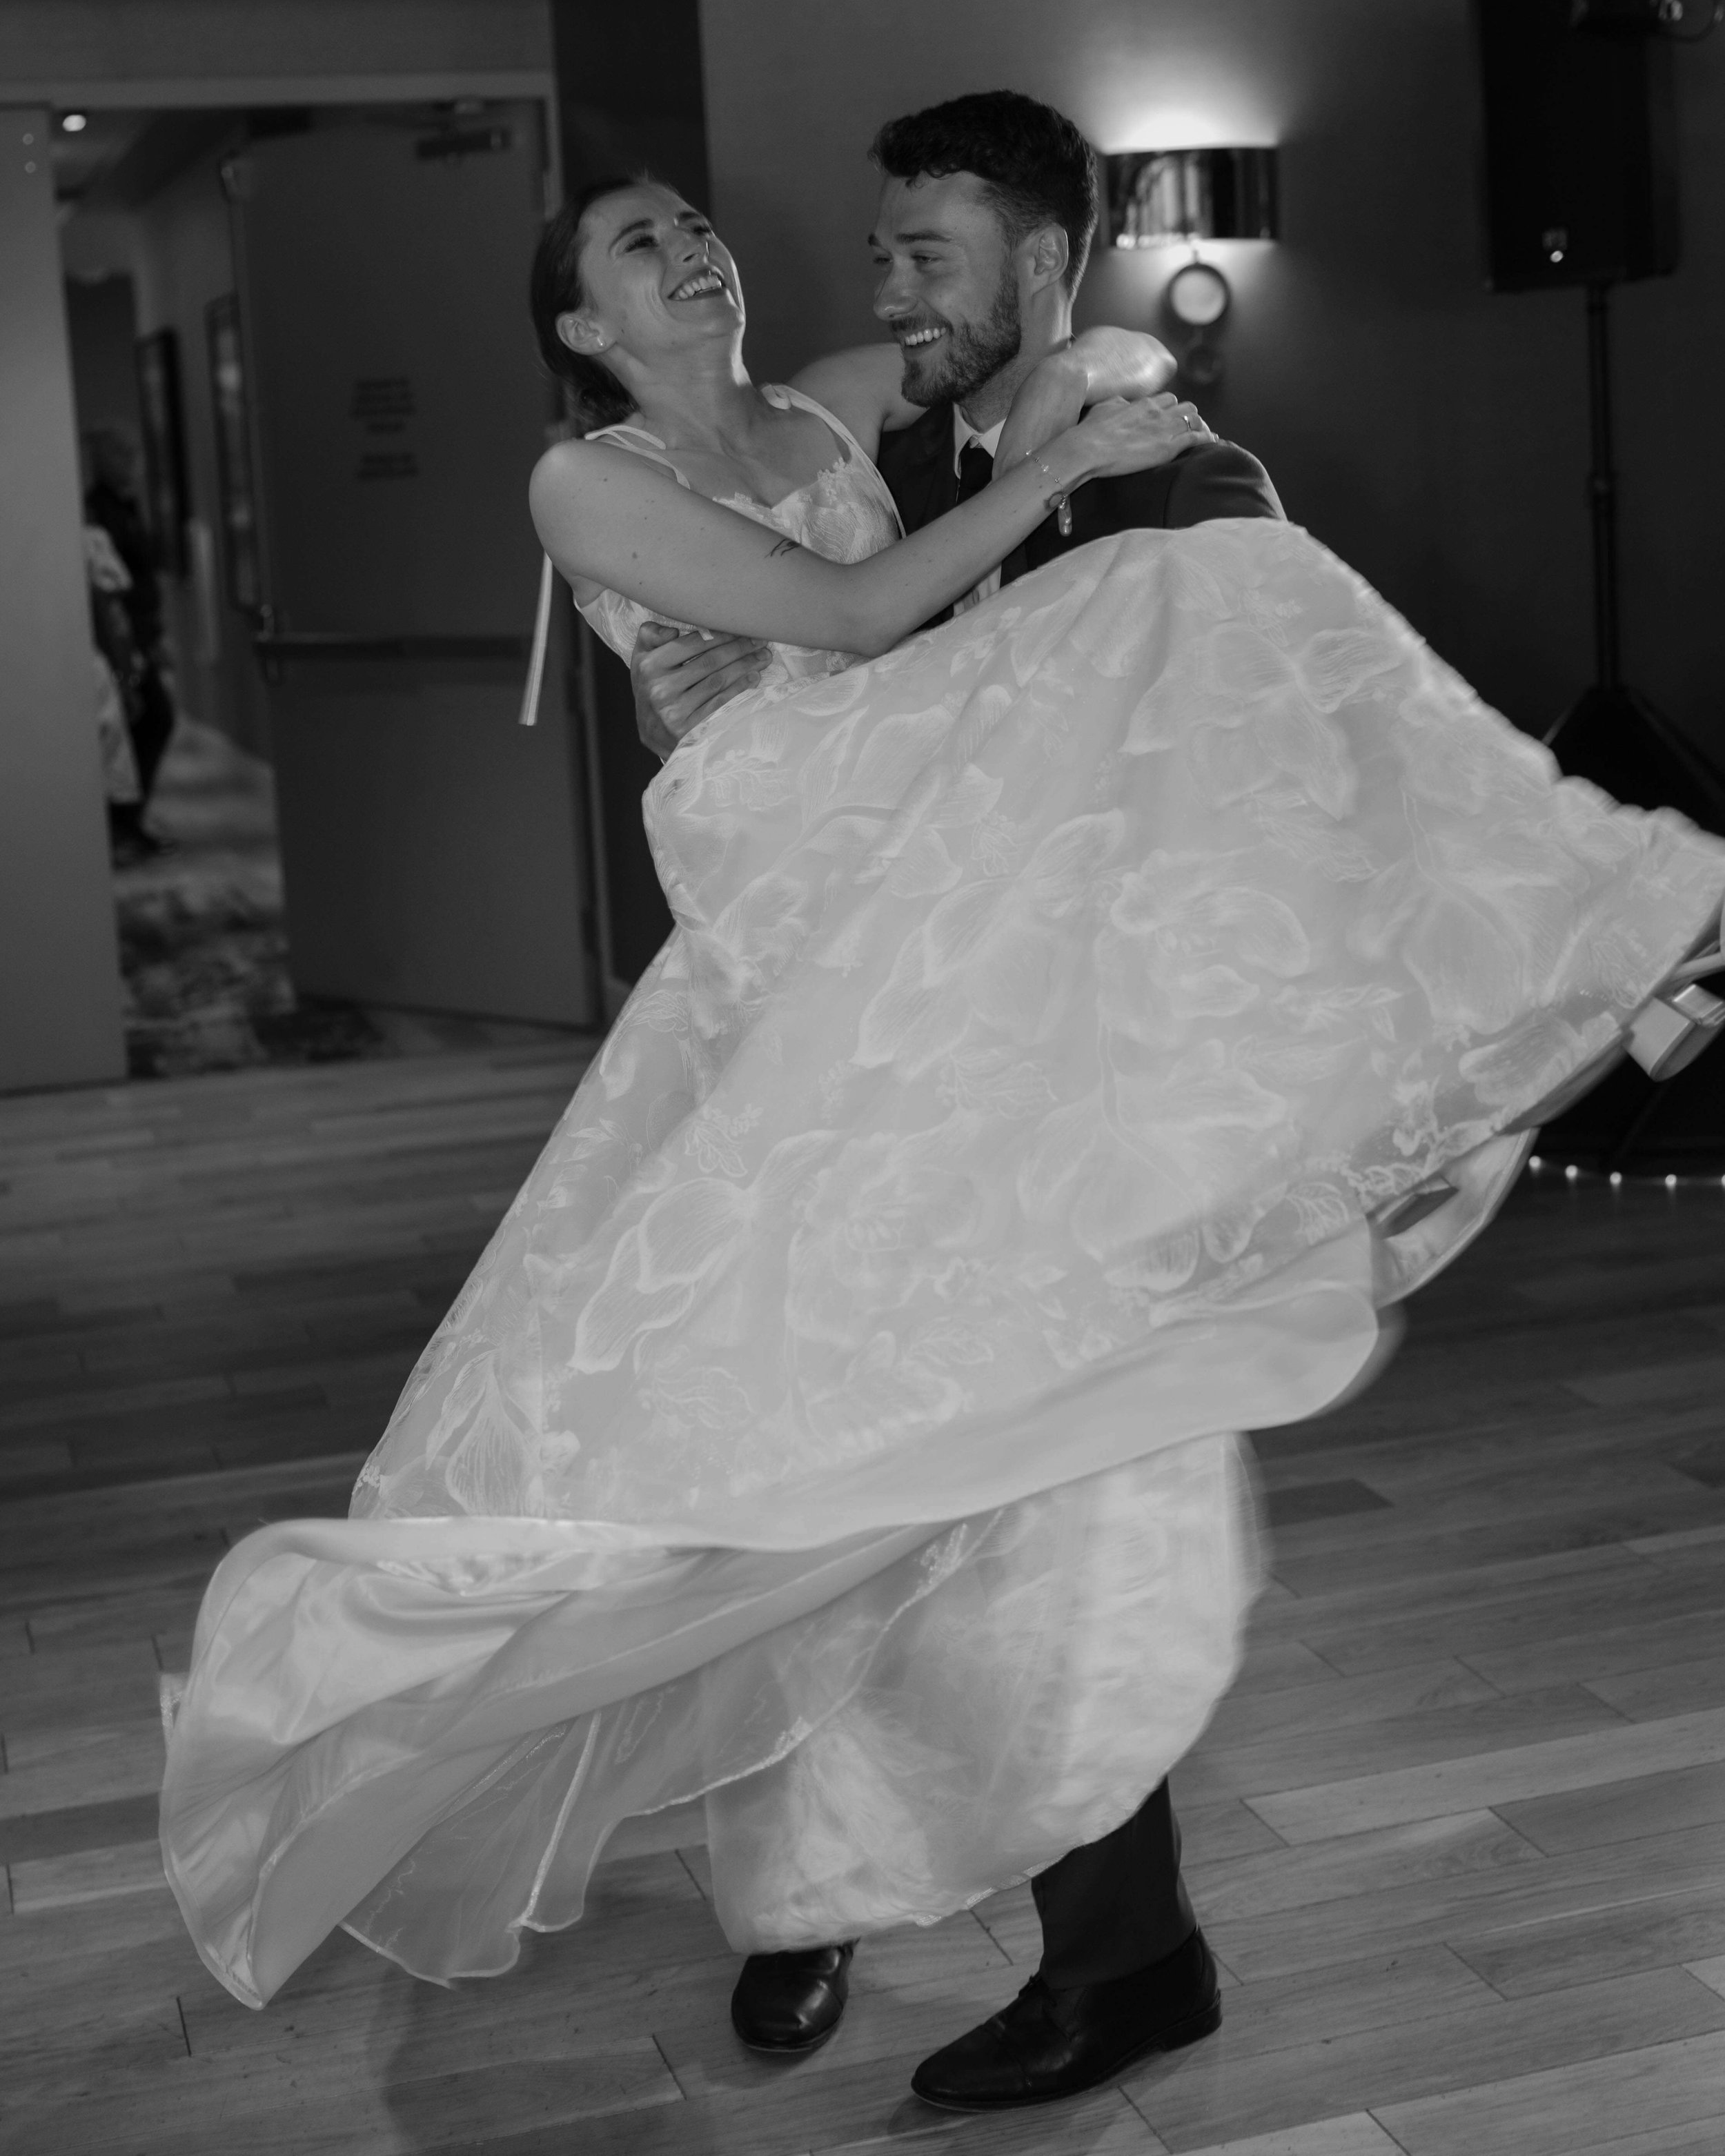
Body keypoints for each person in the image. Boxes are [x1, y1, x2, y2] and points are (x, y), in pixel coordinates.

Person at [161, 164, 1725, 2121]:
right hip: (792, 867)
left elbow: (1019, 342)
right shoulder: (584, 475)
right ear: (579, 326)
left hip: (922, 860)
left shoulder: (824, 399)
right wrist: (1064, 463)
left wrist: (1110, 372)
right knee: (767, 1399)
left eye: (697, 223)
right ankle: (822, 1878)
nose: (693, 249)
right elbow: (846, 605)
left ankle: (1591, 941)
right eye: (639, 246)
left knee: (940, 1379)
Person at [630, 94, 1276, 2090]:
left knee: (1052, 1523)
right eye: (882, 251)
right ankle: (833, 1890)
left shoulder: (1179, 480)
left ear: (1044, 260)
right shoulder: (886, 461)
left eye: (929, 255)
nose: (886, 291)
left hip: (1069, 1084)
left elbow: (1250, 769)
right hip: (857, 1056)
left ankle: (1118, 1949)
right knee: (824, 1478)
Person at [83, 421, 175, 854]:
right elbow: (111, 597)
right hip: (125, 643)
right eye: (121, 453)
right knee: (152, 717)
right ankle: (123, 820)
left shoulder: (126, 508)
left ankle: (128, 819)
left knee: (149, 719)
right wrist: (131, 649)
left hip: (139, 637)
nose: (132, 463)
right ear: (100, 460)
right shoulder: (99, 514)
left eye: (134, 453)